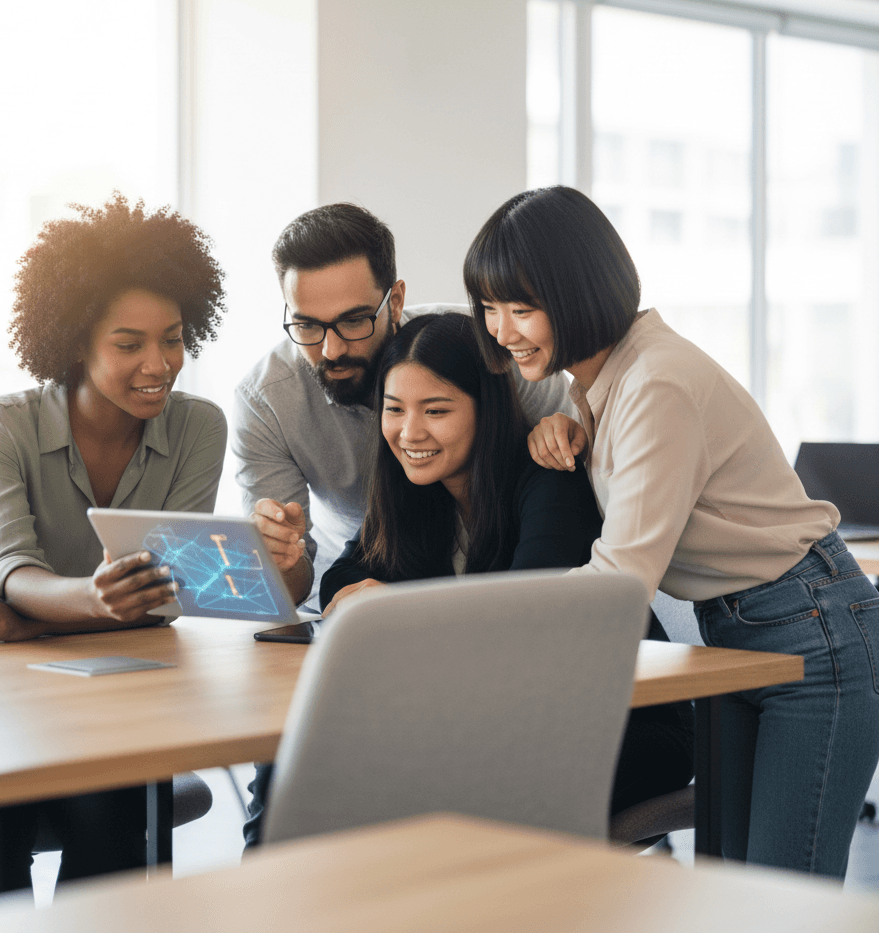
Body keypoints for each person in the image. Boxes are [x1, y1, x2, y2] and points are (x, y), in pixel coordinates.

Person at [462, 184, 879, 879]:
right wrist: (566, 427)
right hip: (746, 629)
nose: (502, 329)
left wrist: (473, 627)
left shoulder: (655, 382)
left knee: (784, 901)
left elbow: (620, 584)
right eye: (490, 307)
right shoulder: (604, 378)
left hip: (813, 630)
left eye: (522, 308)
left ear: (577, 291)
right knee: (738, 893)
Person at [248, 313, 693, 841]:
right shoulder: (412, 491)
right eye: (394, 410)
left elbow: (520, 626)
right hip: (492, 720)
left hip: (616, 725)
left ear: (487, 409)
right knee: (297, 739)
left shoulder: (547, 482)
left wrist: (395, 611)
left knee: (388, 782)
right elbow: (345, 573)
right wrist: (356, 596)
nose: (410, 432)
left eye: (436, 411)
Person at [234, 202, 577, 846]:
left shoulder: (493, 370)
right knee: (303, 757)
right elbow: (337, 580)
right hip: (449, 698)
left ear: (393, 300)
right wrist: (282, 561)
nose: (331, 348)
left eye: (353, 322)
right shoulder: (411, 489)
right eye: (307, 326)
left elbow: (536, 617)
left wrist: (570, 428)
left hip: (557, 719)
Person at [0, 193, 227, 895]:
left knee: (115, 814)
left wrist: (32, 622)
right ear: (74, 342)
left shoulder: (199, 429)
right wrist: (88, 603)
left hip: (110, 681)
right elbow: (9, 570)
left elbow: (163, 596)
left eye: (173, 338)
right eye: (129, 344)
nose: (159, 364)